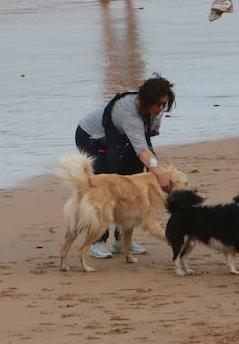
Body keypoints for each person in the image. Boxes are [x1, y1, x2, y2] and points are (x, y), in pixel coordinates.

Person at [74, 76, 175, 259]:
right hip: (91, 137)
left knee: (131, 184)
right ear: (146, 101)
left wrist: (151, 164)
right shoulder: (129, 113)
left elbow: (145, 143)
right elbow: (142, 149)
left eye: (164, 104)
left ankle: (122, 241)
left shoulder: (154, 111)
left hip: (122, 140)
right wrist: (159, 173)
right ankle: (97, 242)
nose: (161, 109)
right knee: (105, 186)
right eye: (158, 104)